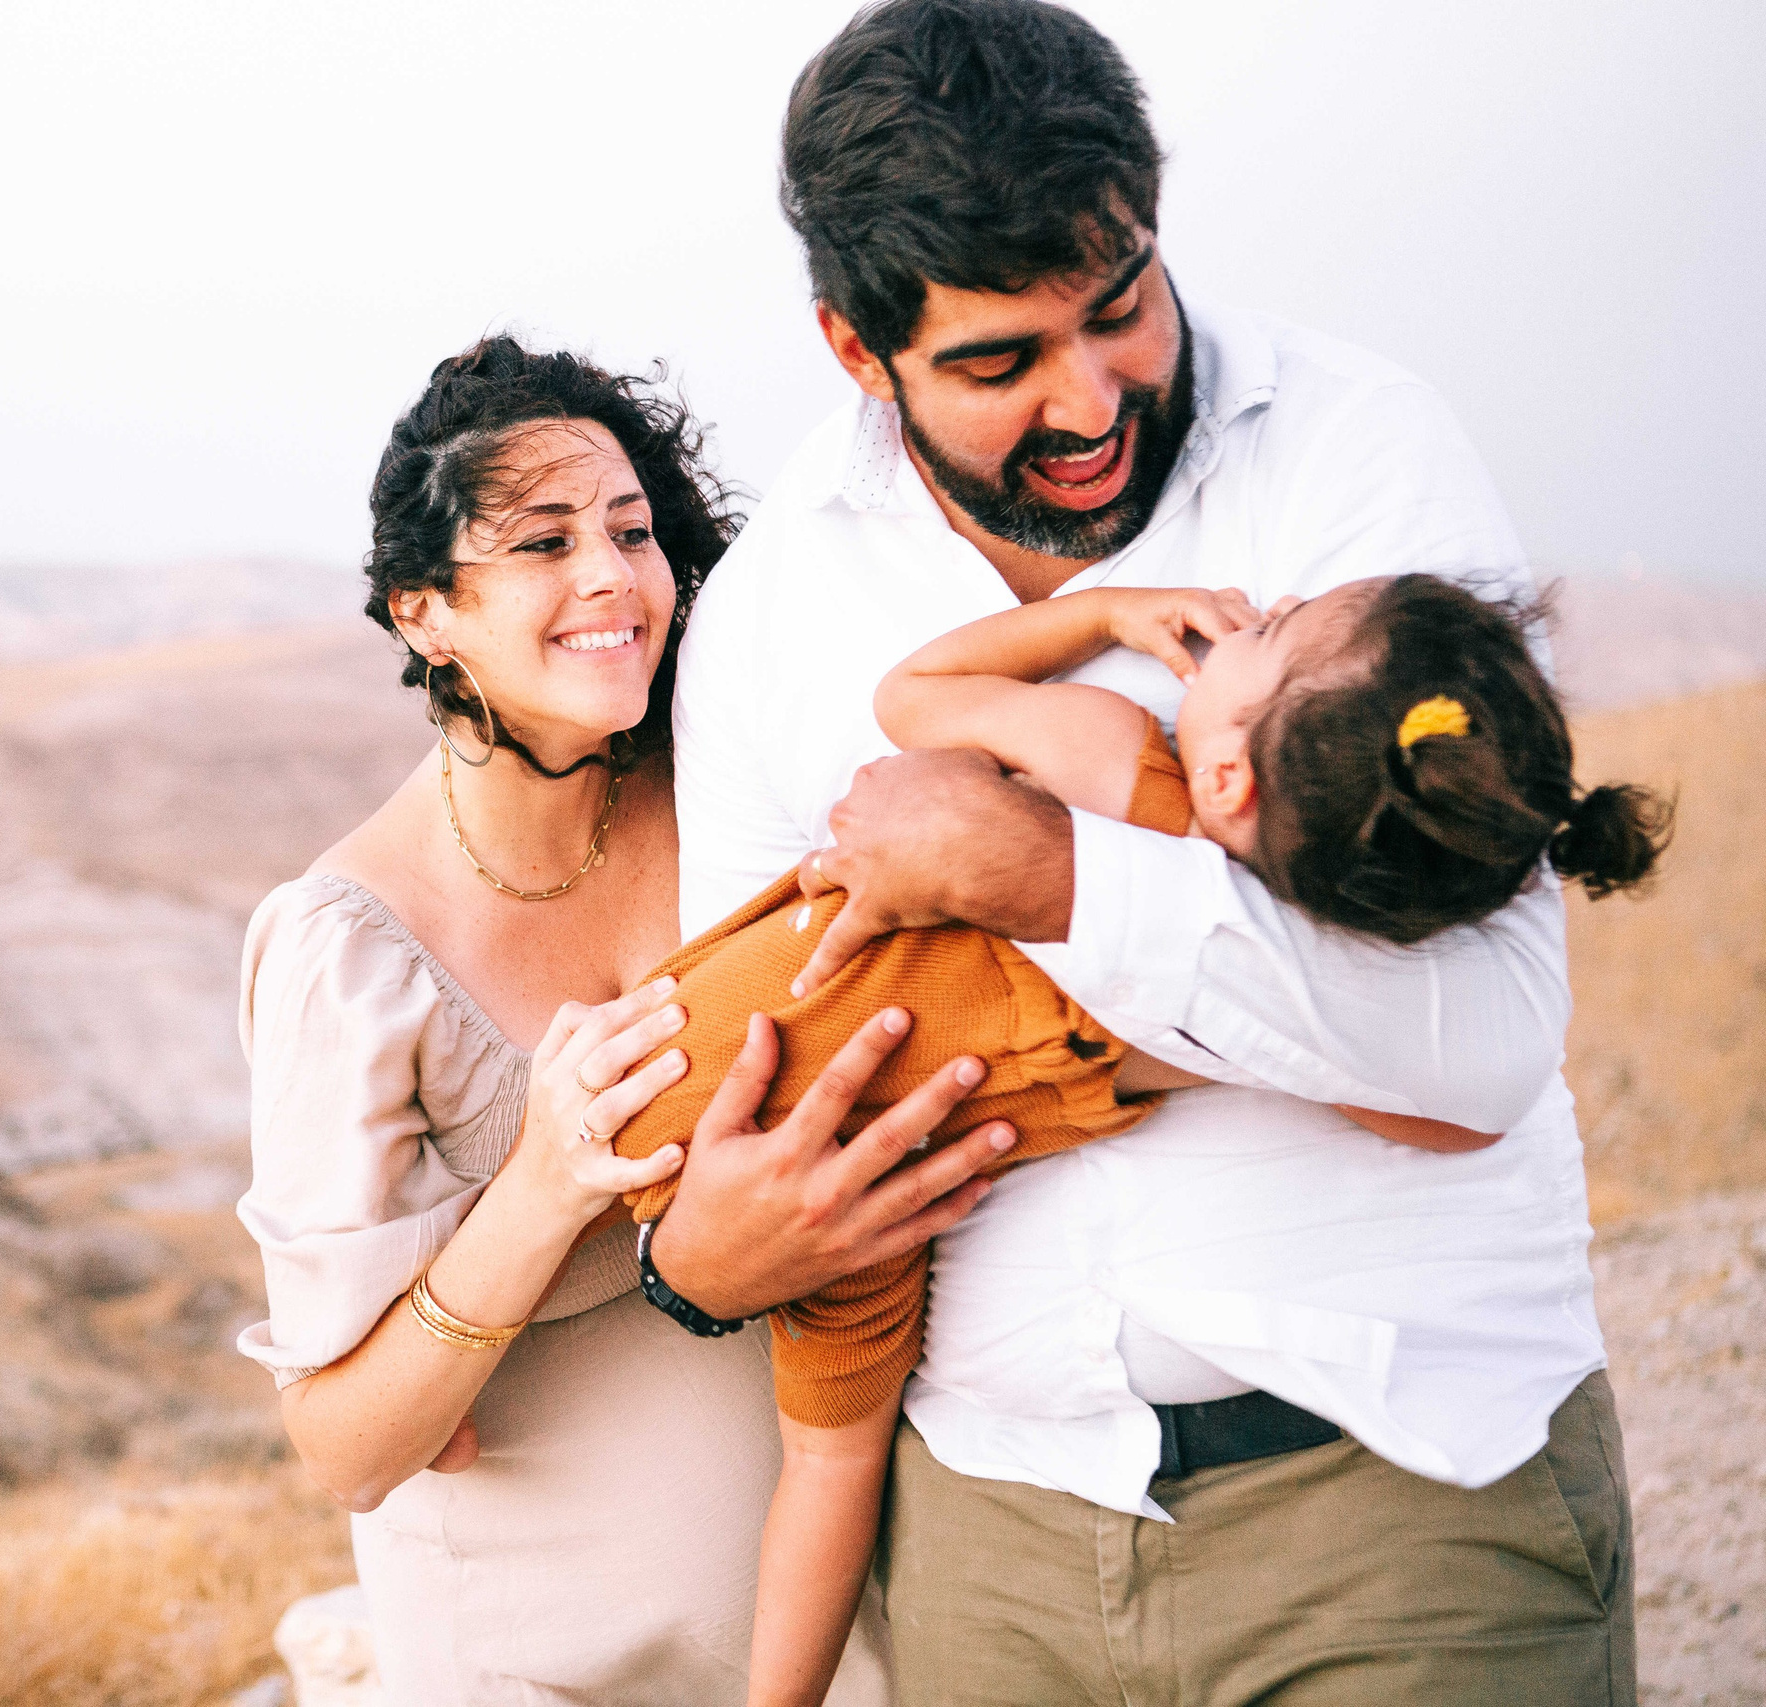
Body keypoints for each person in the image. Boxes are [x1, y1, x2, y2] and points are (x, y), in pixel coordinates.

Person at [622, 3, 1643, 1700]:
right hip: (986, 1542)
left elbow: (1476, 1055)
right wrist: (695, 1265)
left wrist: (1045, 875)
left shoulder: (1353, 461)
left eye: (1121, 309)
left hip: (1399, 1506)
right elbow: (767, 1034)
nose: (1091, 401)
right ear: (858, 350)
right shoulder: (776, 604)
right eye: (1000, 363)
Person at [610, 573, 1666, 1705]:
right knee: (830, 1463)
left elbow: (913, 694)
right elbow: (1444, 1118)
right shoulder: (1269, 994)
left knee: (824, 1454)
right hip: (854, 1184)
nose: (1260, 609)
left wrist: (1105, 614)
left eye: (1270, 631)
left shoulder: (1120, 760)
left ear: (1228, 777)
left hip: (696, 1068)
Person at [233, 336, 1009, 1705]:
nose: (609, 574)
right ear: (426, 611)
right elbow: (347, 1445)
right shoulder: (349, 954)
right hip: (534, 1658)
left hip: (838, 1622)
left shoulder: (730, 786)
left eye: (632, 531)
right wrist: (543, 1185)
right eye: (544, 541)